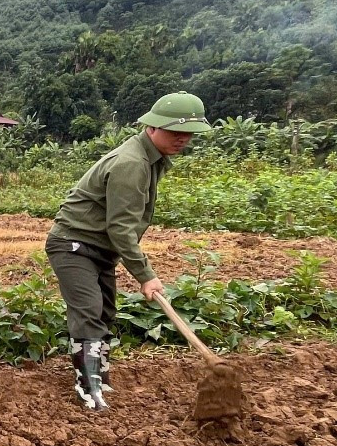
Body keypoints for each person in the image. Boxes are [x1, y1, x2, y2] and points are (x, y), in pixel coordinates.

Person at [45, 92, 212, 411]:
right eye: (175, 131)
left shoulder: (152, 159)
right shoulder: (132, 163)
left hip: (100, 247)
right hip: (74, 244)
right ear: (152, 128)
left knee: (105, 312)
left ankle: (100, 376)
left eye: (188, 133)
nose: (183, 139)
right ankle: (88, 385)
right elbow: (120, 227)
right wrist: (146, 276)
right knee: (90, 310)